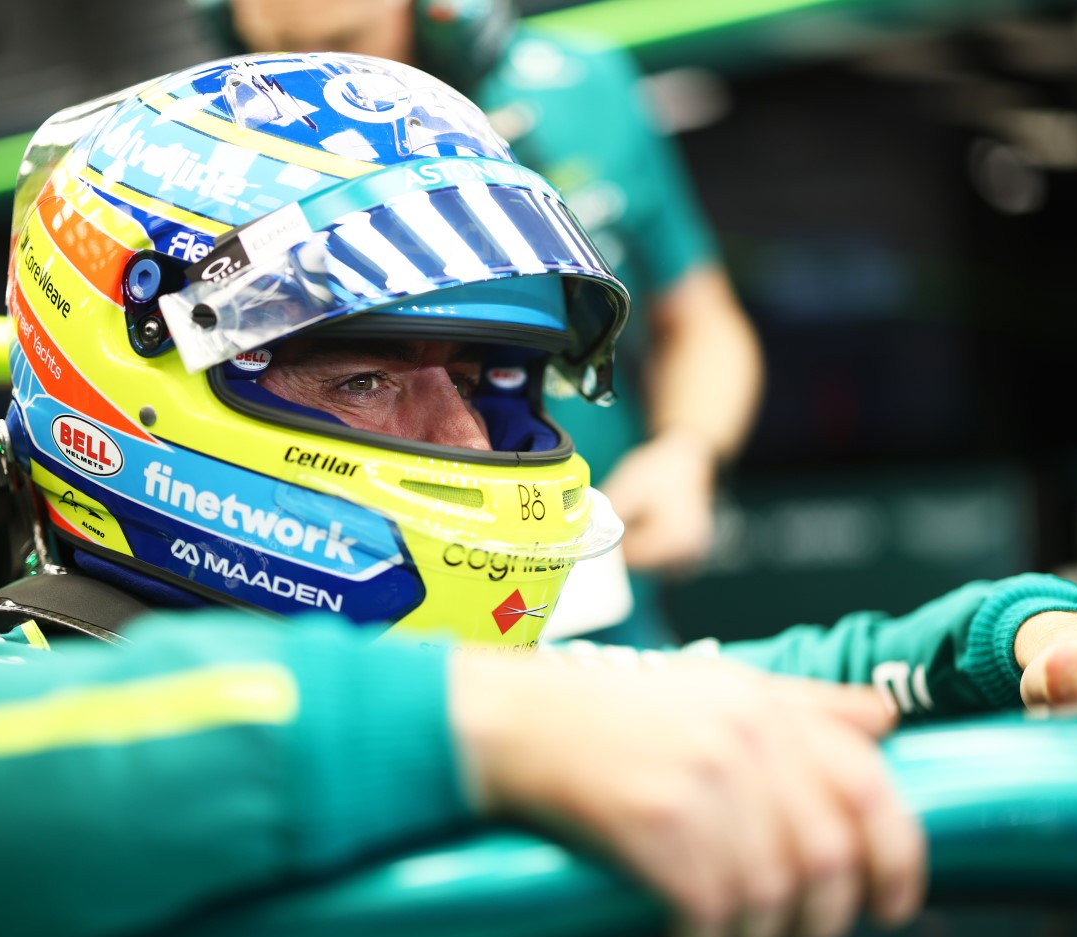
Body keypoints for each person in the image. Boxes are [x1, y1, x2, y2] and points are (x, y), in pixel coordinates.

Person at [0, 53, 1077, 937]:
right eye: (369, 375)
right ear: (148, 384)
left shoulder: (519, 682)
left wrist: (1025, 642)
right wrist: (447, 730)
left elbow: (821, 666)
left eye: (494, 381)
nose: (465, 436)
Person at [206, 0, 767, 645]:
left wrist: (685, 454)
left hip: (593, 585)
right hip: (343, 605)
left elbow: (700, 322)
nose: (310, 79)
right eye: (276, 49)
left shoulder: (581, 87)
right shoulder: (201, 146)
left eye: (349, 39)